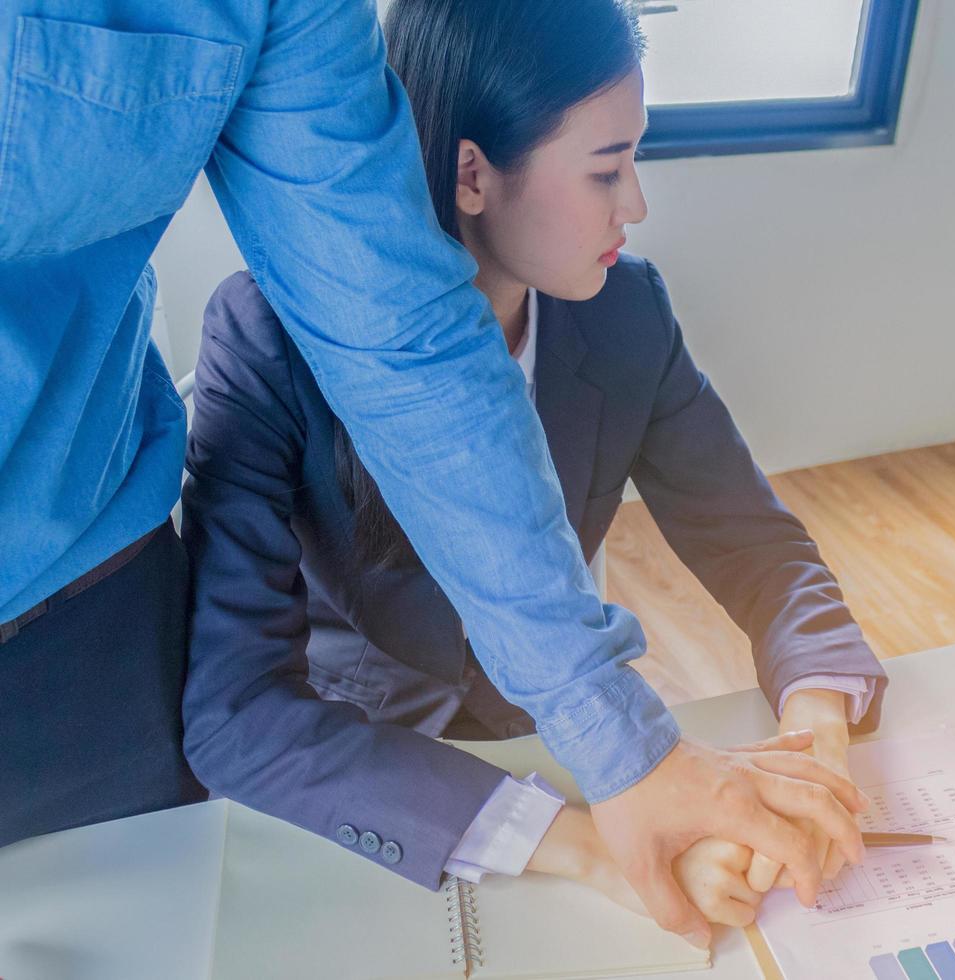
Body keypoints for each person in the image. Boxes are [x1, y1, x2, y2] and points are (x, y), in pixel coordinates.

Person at [180, 0, 886, 936]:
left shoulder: (625, 312)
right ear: (472, 172)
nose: (636, 205)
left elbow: (755, 543)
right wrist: (591, 844)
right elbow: (239, 716)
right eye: (606, 169)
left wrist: (817, 737)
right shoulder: (264, 336)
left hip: (570, 741)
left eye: (635, 159)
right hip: (370, 773)